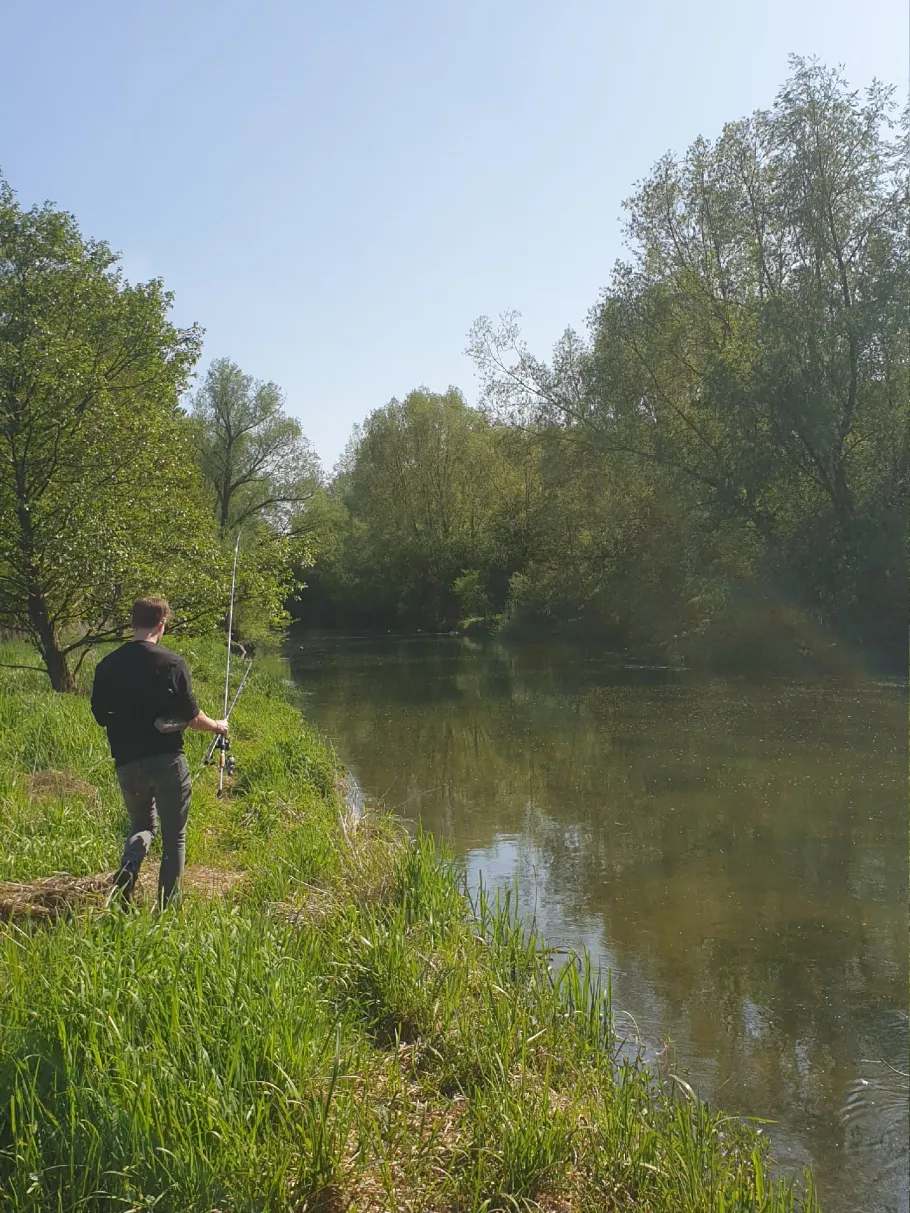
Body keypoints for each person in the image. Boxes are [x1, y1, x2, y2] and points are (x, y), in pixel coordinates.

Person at [91, 597, 228, 908]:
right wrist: (218, 725)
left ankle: (127, 875)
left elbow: (101, 716)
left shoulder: (107, 665)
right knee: (174, 839)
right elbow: (194, 720)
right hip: (167, 762)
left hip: (127, 763)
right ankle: (166, 910)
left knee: (141, 828)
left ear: (131, 624)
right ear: (161, 625)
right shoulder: (172, 663)